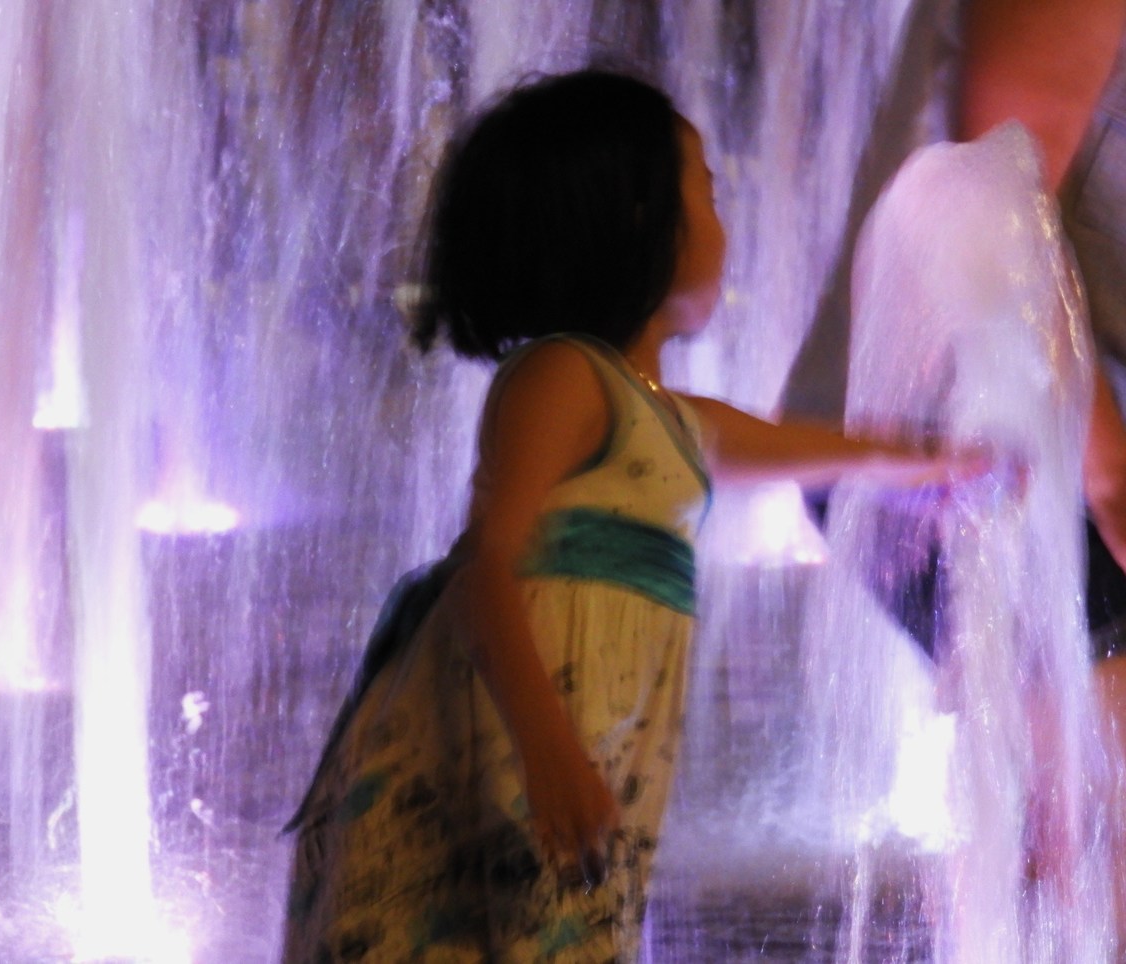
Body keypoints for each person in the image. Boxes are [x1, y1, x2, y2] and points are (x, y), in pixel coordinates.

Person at [280, 68, 984, 963]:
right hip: (518, 730)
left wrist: (942, 463)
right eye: (708, 192)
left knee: (560, 930)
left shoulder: (661, 416)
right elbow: (489, 565)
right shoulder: (560, 377)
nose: (727, 222)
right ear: (641, 219)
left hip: (592, 728)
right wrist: (546, 751)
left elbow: (796, 446)